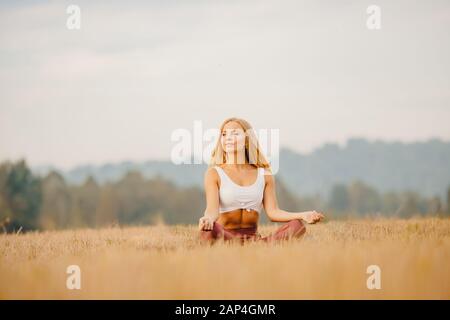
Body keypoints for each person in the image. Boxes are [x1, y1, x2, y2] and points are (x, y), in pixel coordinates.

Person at [198, 117, 324, 244]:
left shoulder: (265, 175)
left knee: (297, 225)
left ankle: (258, 244)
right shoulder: (214, 173)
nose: (228, 138)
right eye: (224, 134)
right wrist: (207, 219)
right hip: (225, 236)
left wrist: (303, 215)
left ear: (247, 139)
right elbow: (212, 210)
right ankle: (243, 244)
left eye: (235, 133)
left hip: (254, 239)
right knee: (208, 230)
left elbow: (273, 212)